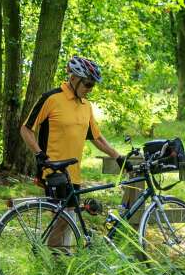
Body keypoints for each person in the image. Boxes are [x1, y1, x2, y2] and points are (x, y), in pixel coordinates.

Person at [18, 55, 124, 249]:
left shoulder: (86, 106)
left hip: (73, 173)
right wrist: (39, 154)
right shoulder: (51, 98)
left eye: (93, 86)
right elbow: (26, 129)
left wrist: (119, 158)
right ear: (74, 78)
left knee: (69, 219)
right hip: (53, 170)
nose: (90, 89)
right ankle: (54, 263)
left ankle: (60, 262)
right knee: (64, 218)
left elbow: (97, 138)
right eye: (88, 84)